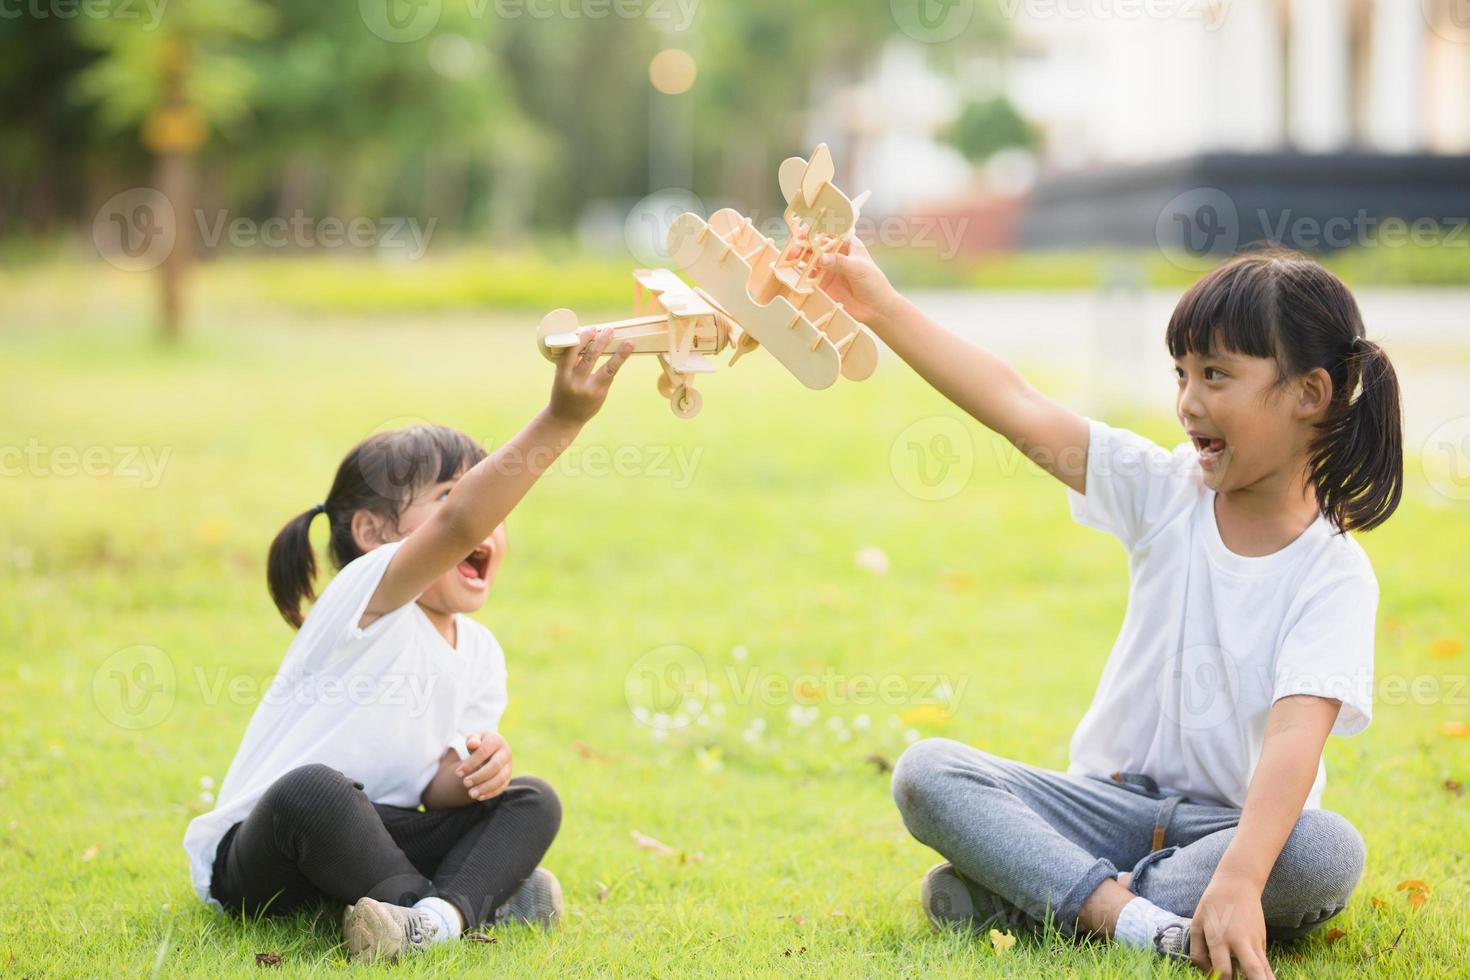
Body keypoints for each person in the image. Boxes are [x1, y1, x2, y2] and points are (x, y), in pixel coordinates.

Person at [819, 244, 1400, 979]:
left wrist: (1242, 879)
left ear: (1309, 394)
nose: (1188, 402)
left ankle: (1039, 894)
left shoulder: (1333, 572)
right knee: (928, 771)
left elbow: (1295, 734)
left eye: (1215, 374)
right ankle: (1129, 920)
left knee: (1324, 852)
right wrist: (880, 309)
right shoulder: (1161, 489)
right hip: (1100, 803)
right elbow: (1017, 404)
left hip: (1226, 830)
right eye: (1181, 375)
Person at [183, 329, 633, 963]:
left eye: (492, 507)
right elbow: (459, 527)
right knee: (312, 790)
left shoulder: (478, 653)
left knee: (531, 799)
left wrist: (476, 775)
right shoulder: (365, 596)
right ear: (373, 533)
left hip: (379, 835)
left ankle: (433, 921)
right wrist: (563, 419)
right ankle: (479, 900)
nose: (487, 523)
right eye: (456, 497)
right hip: (269, 853)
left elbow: (434, 788)